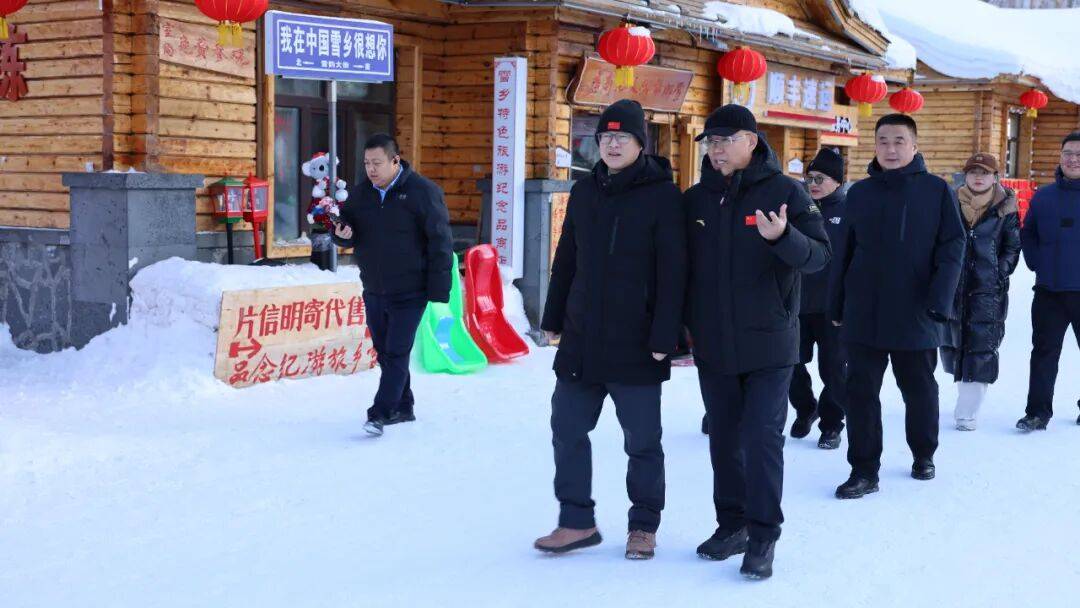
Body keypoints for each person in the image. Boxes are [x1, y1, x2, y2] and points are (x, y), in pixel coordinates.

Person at [534, 100, 686, 561]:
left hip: (637, 343)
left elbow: (674, 273)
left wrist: (664, 337)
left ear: (641, 142)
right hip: (582, 338)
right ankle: (576, 520)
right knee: (566, 428)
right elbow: (566, 259)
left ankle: (643, 525)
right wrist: (553, 319)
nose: (612, 144)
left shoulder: (663, 196)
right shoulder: (585, 191)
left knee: (642, 442)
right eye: (605, 137)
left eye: (622, 137)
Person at [684, 104, 830, 580]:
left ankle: (764, 535)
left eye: (726, 140)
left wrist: (783, 236)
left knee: (762, 439)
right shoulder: (697, 199)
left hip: (770, 342)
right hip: (714, 344)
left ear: (751, 141)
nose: (717, 150)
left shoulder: (786, 192)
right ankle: (733, 526)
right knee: (724, 440)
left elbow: (819, 257)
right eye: (711, 141)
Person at [828, 113, 965, 498]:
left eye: (899, 141)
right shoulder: (860, 193)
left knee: (918, 389)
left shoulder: (936, 191)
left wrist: (939, 301)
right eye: (883, 141)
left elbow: (953, 247)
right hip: (864, 311)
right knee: (860, 392)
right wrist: (836, 305)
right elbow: (844, 253)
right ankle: (863, 470)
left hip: (916, 310)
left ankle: (924, 453)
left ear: (914, 145)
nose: (891, 149)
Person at [331, 134, 454, 437]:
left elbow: (440, 242)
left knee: (397, 351)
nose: (371, 169)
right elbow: (347, 227)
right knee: (385, 351)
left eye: (377, 163)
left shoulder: (423, 192)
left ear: (395, 161)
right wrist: (341, 235)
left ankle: (380, 413)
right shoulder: (361, 195)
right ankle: (404, 405)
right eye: (366, 163)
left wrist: (439, 289)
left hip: (411, 289)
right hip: (374, 287)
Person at [941, 153, 1021, 431]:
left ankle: (967, 412)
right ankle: (964, 398)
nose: (978, 177)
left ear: (995, 177)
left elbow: (1012, 246)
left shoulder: (1006, 207)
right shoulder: (950, 202)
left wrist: (999, 271)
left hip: (988, 290)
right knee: (955, 346)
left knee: (982, 348)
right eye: (973, 172)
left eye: (984, 173)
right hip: (954, 287)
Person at [1016, 131, 1080, 431]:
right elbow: (1028, 232)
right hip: (1049, 291)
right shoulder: (1044, 196)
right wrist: (1036, 261)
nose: (1073, 159)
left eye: (1079, 154)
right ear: (1060, 156)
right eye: (1068, 153)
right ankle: (1037, 412)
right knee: (1043, 353)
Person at [788, 147, 849, 450]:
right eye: (809, 178)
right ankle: (805, 408)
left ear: (838, 181)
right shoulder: (798, 209)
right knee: (790, 364)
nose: (813, 184)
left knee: (834, 370)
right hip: (798, 303)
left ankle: (832, 424)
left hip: (833, 307)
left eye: (820, 178)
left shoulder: (850, 211)